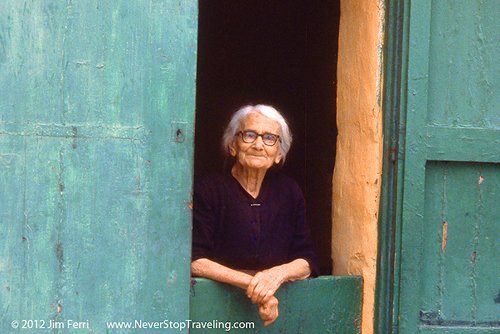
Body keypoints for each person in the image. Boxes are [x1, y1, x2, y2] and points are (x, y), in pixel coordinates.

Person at [191, 104, 318, 326]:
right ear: (232, 145)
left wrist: (276, 275)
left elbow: (307, 261)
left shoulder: (289, 191)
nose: (259, 145)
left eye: (270, 138)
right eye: (249, 135)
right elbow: (195, 260)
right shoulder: (210, 189)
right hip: (217, 314)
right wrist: (257, 286)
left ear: (279, 154)